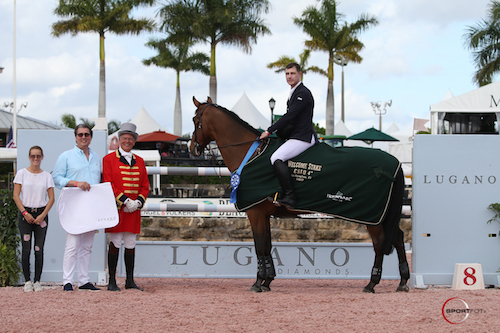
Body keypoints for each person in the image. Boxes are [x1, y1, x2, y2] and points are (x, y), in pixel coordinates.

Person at [259, 62, 318, 209]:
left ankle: (290, 197)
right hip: (295, 135)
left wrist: (269, 130)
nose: (289, 76)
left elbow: (290, 116)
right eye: (287, 74)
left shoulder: (302, 93)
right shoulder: (294, 92)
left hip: (303, 137)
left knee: (276, 158)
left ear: (300, 74)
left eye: (292, 73)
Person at [52, 124, 102, 291]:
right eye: (80, 134)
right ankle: (67, 281)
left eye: (86, 134)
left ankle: (83, 280)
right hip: (74, 205)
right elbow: (56, 178)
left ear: (91, 137)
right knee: (72, 244)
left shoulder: (96, 157)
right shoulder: (66, 156)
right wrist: (75, 183)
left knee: (87, 245)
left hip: (91, 206)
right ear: (75, 137)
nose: (83, 137)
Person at [103, 123, 149, 291]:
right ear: (119, 140)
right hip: (117, 208)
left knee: (130, 242)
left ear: (134, 141)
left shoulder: (140, 161)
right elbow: (108, 182)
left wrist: (138, 202)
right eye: (124, 138)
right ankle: (112, 281)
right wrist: (124, 200)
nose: (127, 141)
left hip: (133, 210)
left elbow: (145, 185)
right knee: (115, 242)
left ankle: (130, 281)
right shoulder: (108, 159)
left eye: (130, 138)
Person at [13, 146, 55, 292]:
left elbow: (51, 198)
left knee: (39, 248)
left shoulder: (46, 176)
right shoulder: (22, 174)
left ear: (42, 157)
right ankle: (27, 281)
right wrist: (25, 213)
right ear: (29, 157)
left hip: (41, 215)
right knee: (26, 249)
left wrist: (43, 215)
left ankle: (37, 280)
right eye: (33, 156)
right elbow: (16, 195)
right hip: (26, 215)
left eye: (38, 156)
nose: (35, 159)